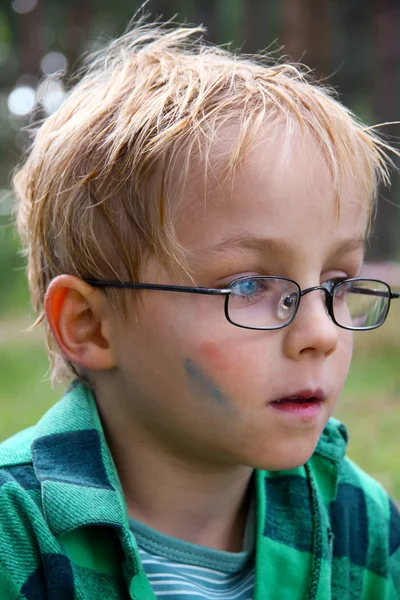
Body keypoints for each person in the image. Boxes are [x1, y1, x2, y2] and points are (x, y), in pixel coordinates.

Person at [1, 18, 399, 600]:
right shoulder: (14, 537)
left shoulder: (359, 524)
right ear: (90, 325)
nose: (321, 333)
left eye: (337, 283)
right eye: (248, 285)